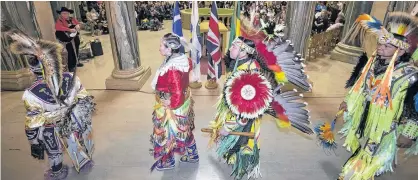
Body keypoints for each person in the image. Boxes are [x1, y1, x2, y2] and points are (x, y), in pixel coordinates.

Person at [204, 19, 313, 179]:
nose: (230, 48)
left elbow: (244, 113)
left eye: (234, 46)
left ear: (244, 51)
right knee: (235, 147)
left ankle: (240, 168)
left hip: (243, 122)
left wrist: (228, 128)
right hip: (237, 115)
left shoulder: (248, 75)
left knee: (241, 147)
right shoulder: (239, 64)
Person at [316, 12, 418, 180]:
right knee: (363, 153)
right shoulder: (372, 63)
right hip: (365, 120)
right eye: (380, 44)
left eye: (386, 46)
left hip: (386, 128)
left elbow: (415, 107)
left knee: (361, 166)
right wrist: (347, 101)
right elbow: (360, 86)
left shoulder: (410, 75)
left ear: (400, 52)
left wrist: (409, 132)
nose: (380, 47)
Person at [3, 26, 95, 180]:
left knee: (54, 151)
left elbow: (32, 123)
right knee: (76, 139)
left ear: (32, 70)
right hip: (72, 120)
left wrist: (34, 142)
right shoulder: (71, 77)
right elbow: (84, 99)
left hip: (50, 127)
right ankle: (84, 161)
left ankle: (57, 172)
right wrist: (79, 118)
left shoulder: (30, 94)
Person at [150, 33, 198, 171]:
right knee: (184, 130)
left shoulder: (172, 68)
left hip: (172, 109)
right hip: (182, 103)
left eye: (161, 45)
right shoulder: (182, 59)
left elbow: (176, 91)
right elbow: (185, 82)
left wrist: (170, 105)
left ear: (170, 49)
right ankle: (193, 154)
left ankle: (168, 161)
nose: (159, 48)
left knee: (167, 134)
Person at [55, 7, 83, 72]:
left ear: (68, 14)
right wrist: (69, 29)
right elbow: (57, 27)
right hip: (67, 40)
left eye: (66, 13)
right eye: (63, 13)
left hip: (75, 37)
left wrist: (78, 25)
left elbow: (78, 24)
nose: (65, 15)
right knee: (70, 52)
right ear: (61, 14)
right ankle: (71, 66)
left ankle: (76, 62)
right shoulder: (59, 21)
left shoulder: (72, 19)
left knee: (76, 49)